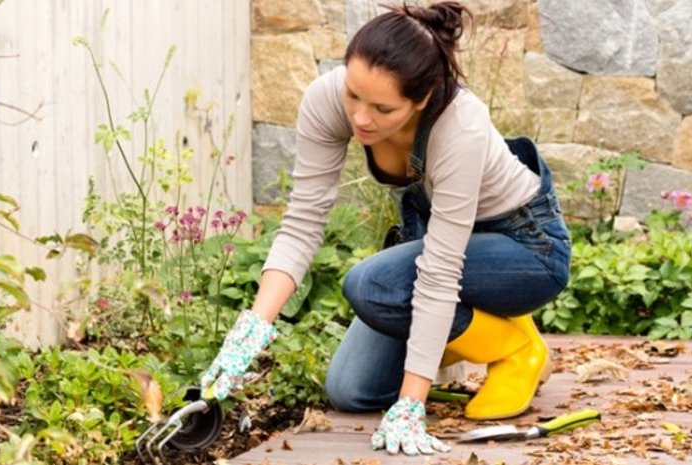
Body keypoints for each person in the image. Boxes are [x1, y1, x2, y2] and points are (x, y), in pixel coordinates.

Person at [199, 1, 571, 457]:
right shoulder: (327, 99)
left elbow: (438, 272)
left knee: (373, 285)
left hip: (526, 250)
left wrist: (411, 405)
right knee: (351, 391)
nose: (360, 117)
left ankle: (515, 347)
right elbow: (302, 221)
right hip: (444, 247)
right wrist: (252, 329)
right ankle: (485, 328)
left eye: (382, 108)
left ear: (423, 99)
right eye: (353, 94)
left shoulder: (460, 125)